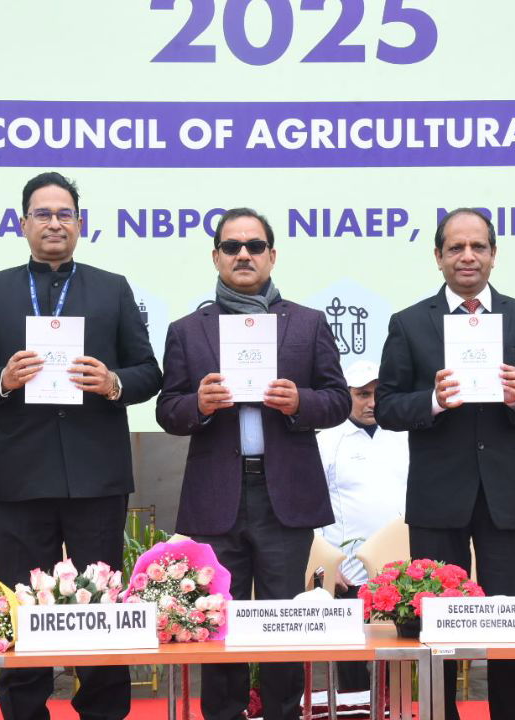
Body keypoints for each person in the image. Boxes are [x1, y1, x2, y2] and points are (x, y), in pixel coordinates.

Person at [0, 172, 161, 720]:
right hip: (24, 473)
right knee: (23, 602)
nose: (53, 223)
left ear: (80, 224)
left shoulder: (111, 287)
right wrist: (3, 378)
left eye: (64, 213)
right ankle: (23, 710)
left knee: (101, 603)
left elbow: (149, 373)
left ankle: (103, 711)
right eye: (42, 214)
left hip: (97, 473)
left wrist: (113, 382)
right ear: (23, 224)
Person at [156, 207, 350, 720]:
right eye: (232, 246)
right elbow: (166, 411)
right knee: (218, 619)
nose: (244, 254)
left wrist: (299, 402)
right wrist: (196, 403)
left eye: (255, 246)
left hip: (285, 495)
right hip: (215, 496)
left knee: (283, 622)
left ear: (272, 255)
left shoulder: (307, 324)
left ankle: (285, 712)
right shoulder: (187, 331)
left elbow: (338, 401)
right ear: (216, 256)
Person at [375, 208, 515, 720]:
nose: (468, 256)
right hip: (438, 497)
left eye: (478, 246)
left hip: (503, 493)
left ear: (494, 254)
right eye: (456, 248)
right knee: (437, 621)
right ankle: (442, 715)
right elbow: (388, 406)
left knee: (509, 624)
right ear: (438, 257)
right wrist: (433, 401)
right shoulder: (410, 323)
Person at [315, 359, 409, 693]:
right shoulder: (326, 440)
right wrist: (325, 564)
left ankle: (394, 711)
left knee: (399, 654)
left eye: (378, 393)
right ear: (346, 395)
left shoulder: (405, 435)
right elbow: (312, 505)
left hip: (400, 572)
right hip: (348, 570)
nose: (372, 402)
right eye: (362, 394)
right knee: (352, 655)